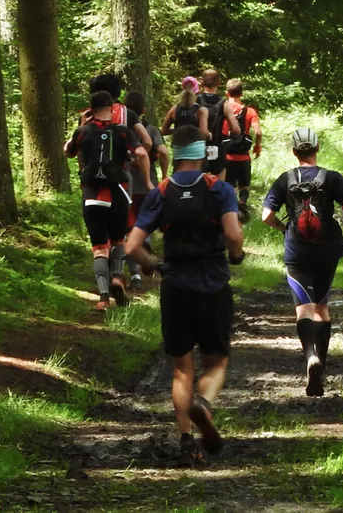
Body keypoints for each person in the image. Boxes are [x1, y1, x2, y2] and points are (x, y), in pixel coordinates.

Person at [126, 125, 245, 463]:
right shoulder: (219, 189)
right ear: (201, 153)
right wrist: (235, 256)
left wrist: (154, 265)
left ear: (176, 154)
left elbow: (132, 245)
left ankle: (186, 442)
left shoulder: (160, 192)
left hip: (176, 286)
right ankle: (203, 404)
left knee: (181, 369)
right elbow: (233, 235)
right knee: (217, 359)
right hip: (213, 284)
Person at [261, 128, 343, 397]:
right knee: (322, 307)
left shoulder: (285, 179)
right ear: (317, 149)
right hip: (327, 248)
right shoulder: (331, 177)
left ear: (294, 152)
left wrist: (284, 229)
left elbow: (265, 216)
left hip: (297, 250)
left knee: (303, 308)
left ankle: (309, 357)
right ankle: (322, 366)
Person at [65, 91, 145, 311]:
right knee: (118, 240)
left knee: (100, 249)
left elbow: (68, 152)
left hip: (92, 197)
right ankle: (117, 277)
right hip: (118, 194)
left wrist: (82, 125)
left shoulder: (82, 131)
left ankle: (102, 299)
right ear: (111, 108)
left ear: (91, 109)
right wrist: (146, 179)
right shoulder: (122, 132)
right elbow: (142, 153)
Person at [124, 90, 169, 290]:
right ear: (143, 110)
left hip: (126, 187)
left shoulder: (119, 129)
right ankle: (147, 240)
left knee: (129, 230)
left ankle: (135, 275)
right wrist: (165, 175)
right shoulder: (150, 130)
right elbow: (163, 152)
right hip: (148, 184)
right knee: (147, 223)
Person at [86, 73, 153, 187]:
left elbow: (78, 147)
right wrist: (133, 160)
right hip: (121, 174)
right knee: (123, 203)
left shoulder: (87, 115)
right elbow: (147, 141)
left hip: (92, 175)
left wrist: (82, 169)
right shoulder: (128, 113)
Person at [222, 79, 262, 221]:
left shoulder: (223, 108)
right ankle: (242, 209)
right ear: (242, 93)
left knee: (230, 186)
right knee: (244, 186)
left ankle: (232, 214)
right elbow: (258, 132)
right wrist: (258, 147)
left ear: (227, 93)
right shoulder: (250, 111)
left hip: (227, 156)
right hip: (244, 157)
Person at [195, 69, 241, 180]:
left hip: (197, 148)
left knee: (198, 182)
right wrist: (232, 136)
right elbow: (236, 130)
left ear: (202, 83)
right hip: (217, 147)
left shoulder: (195, 101)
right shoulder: (224, 103)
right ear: (218, 83)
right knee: (218, 185)